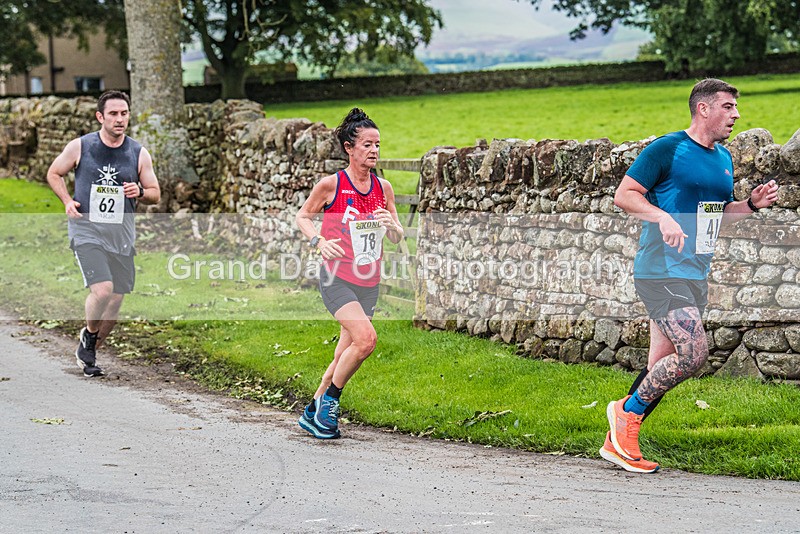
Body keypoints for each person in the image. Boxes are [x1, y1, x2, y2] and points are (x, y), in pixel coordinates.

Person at [602, 78, 779, 473]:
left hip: (694, 272)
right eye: (728, 106)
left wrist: (750, 205)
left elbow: (716, 214)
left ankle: (619, 441)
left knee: (660, 367)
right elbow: (625, 194)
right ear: (703, 108)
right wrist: (662, 216)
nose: (736, 114)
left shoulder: (723, 159)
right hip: (660, 268)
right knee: (694, 353)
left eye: (735, 107)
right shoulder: (668, 148)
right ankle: (623, 413)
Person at [295, 108, 404, 439]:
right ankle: (330, 404)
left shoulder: (383, 188)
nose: (374, 150)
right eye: (367, 144)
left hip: (369, 282)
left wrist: (392, 226)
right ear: (349, 147)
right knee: (366, 340)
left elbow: (398, 236)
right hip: (336, 277)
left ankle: (312, 409)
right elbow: (302, 217)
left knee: (345, 352)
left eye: (378, 145)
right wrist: (318, 240)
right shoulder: (331, 185)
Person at [46, 90, 160, 377]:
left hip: (121, 236)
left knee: (117, 299)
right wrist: (67, 201)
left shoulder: (138, 152)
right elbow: (54, 173)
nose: (120, 119)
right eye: (113, 114)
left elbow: (156, 194)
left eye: (124, 113)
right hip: (87, 230)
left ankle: (89, 347)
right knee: (103, 290)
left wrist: (141, 191)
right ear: (100, 116)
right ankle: (89, 337)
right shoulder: (81, 146)